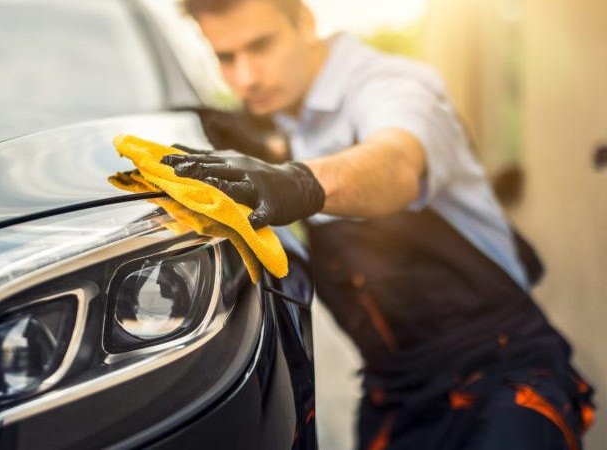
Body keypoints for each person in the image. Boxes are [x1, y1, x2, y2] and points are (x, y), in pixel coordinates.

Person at [163, 0, 596, 448]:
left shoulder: (391, 84)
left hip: (502, 378)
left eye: (262, 45)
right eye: (226, 58)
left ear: (305, 22)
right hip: (395, 399)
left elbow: (397, 163)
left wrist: (298, 183)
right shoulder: (283, 122)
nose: (246, 77)